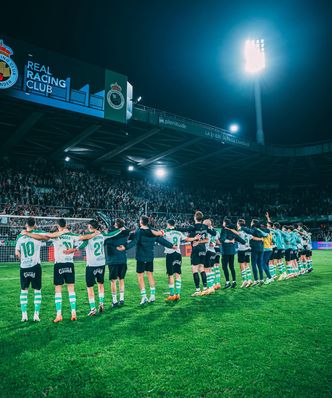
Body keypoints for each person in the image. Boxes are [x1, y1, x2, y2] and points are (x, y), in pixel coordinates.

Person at [23, 218, 81, 322]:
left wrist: (28, 234)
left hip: (59, 264)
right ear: (66, 225)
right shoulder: (72, 235)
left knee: (58, 289)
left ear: (58, 226)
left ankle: (59, 315)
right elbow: (83, 241)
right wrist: (74, 249)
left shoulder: (55, 236)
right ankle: (73, 313)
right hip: (69, 264)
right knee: (71, 289)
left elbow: (43, 236)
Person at [64, 220, 123, 316]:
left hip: (91, 264)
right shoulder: (102, 235)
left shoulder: (88, 236)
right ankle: (101, 303)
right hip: (101, 263)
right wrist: (120, 229)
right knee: (101, 284)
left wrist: (72, 250)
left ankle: (93, 308)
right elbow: (112, 234)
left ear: (91, 226)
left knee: (90, 287)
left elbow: (82, 246)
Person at [120, 215, 175, 305]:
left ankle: (144, 296)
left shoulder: (139, 231)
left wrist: (124, 247)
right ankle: (152, 295)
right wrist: (171, 245)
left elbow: (133, 242)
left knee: (140, 277)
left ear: (141, 222)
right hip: (150, 256)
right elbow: (161, 240)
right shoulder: (152, 231)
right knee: (150, 275)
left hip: (141, 257)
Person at [177, 211, 216, 297]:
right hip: (203, 249)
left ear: (195, 217)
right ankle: (205, 288)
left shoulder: (193, 227)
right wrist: (208, 229)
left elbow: (184, 229)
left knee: (194, 269)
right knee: (201, 268)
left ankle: (198, 290)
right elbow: (214, 233)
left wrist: (174, 228)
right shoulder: (205, 227)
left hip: (196, 249)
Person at [163, 219, 200, 301]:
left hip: (170, 254)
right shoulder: (178, 233)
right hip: (178, 254)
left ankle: (172, 294)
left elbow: (160, 237)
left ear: (168, 224)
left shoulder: (166, 232)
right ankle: (178, 293)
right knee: (178, 273)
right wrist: (195, 238)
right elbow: (187, 239)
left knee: (170, 274)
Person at [16, 217, 45, 322]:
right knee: (37, 290)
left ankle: (24, 315)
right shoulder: (38, 234)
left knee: (24, 290)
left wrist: (21, 259)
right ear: (35, 224)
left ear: (26, 224)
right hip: (35, 266)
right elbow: (47, 238)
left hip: (24, 266)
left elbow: (17, 252)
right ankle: (36, 315)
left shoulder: (20, 236)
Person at [104, 218, 131, 307]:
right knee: (121, 279)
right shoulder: (126, 233)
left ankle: (115, 301)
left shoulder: (110, 235)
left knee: (113, 281)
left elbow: (106, 238)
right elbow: (127, 230)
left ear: (116, 225)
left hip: (113, 260)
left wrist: (108, 230)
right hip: (123, 259)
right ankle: (122, 299)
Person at [238, 219, 268, 286]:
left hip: (254, 248)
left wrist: (242, 227)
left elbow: (251, 234)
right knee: (259, 264)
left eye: (251, 222)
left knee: (254, 264)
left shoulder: (253, 229)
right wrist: (260, 239)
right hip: (261, 248)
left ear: (253, 223)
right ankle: (261, 279)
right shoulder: (261, 229)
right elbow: (265, 234)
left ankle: (256, 280)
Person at [220, 219, 246, 289]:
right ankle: (234, 281)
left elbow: (222, 240)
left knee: (224, 267)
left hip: (225, 251)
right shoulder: (233, 231)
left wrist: (228, 241)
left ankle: (227, 282)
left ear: (225, 223)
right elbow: (241, 240)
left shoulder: (224, 230)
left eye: (223, 222)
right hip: (232, 251)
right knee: (231, 267)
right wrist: (245, 243)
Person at [236, 219, 253, 288]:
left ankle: (245, 280)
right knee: (247, 264)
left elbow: (237, 238)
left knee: (241, 264)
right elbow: (251, 238)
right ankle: (249, 279)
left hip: (242, 249)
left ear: (239, 224)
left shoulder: (239, 231)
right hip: (248, 249)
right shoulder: (248, 231)